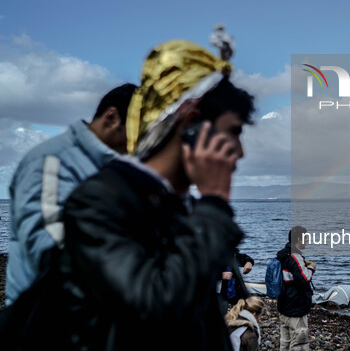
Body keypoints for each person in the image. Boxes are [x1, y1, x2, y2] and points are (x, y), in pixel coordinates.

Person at [14, 38, 255, 350]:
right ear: (192, 123)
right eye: (232, 132)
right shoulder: (99, 200)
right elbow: (158, 307)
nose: (240, 151)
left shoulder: (184, 210)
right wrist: (215, 204)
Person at [5, 83, 137, 305]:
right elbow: (49, 248)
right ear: (112, 118)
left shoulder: (111, 166)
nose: (137, 146)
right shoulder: (52, 161)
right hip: (40, 322)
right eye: (135, 134)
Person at [277, 225, 316, 350]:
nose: (307, 241)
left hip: (284, 303)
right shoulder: (295, 256)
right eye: (305, 238)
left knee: (285, 341)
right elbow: (304, 278)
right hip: (296, 305)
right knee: (299, 340)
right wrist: (311, 268)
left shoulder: (282, 254)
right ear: (299, 239)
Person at [218, 249, 255, 314]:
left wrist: (248, 262)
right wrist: (219, 275)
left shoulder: (231, 253)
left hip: (233, 291)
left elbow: (243, 257)